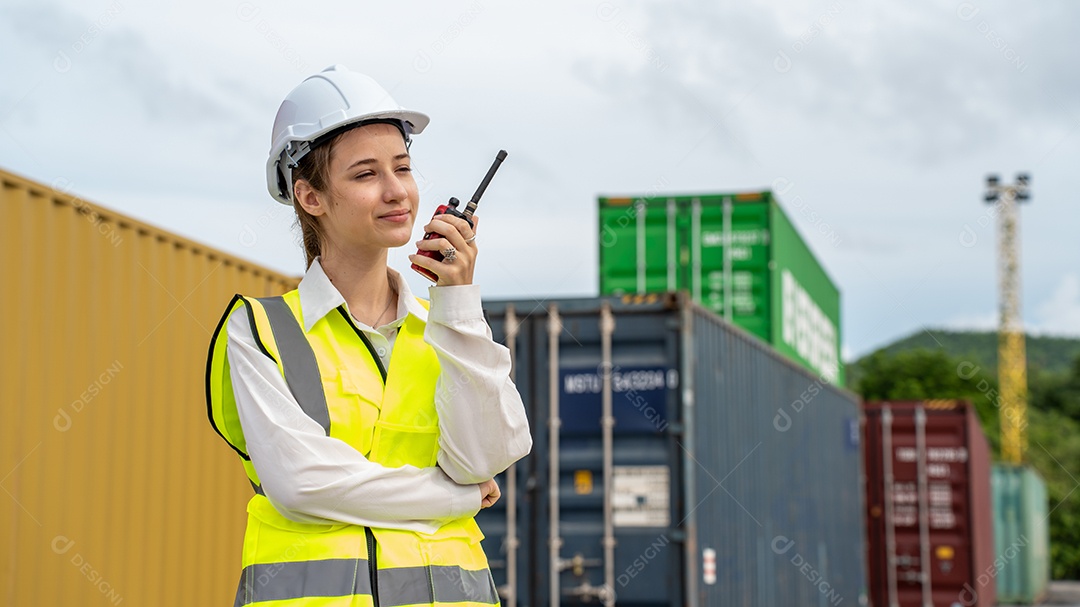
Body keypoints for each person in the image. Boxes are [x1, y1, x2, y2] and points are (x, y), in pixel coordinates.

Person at [205, 65, 532, 607]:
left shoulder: (447, 326)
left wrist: (458, 301)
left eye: (402, 168)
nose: (396, 190)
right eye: (365, 175)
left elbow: (485, 458)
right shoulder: (260, 329)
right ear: (310, 197)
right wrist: (456, 498)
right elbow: (303, 486)